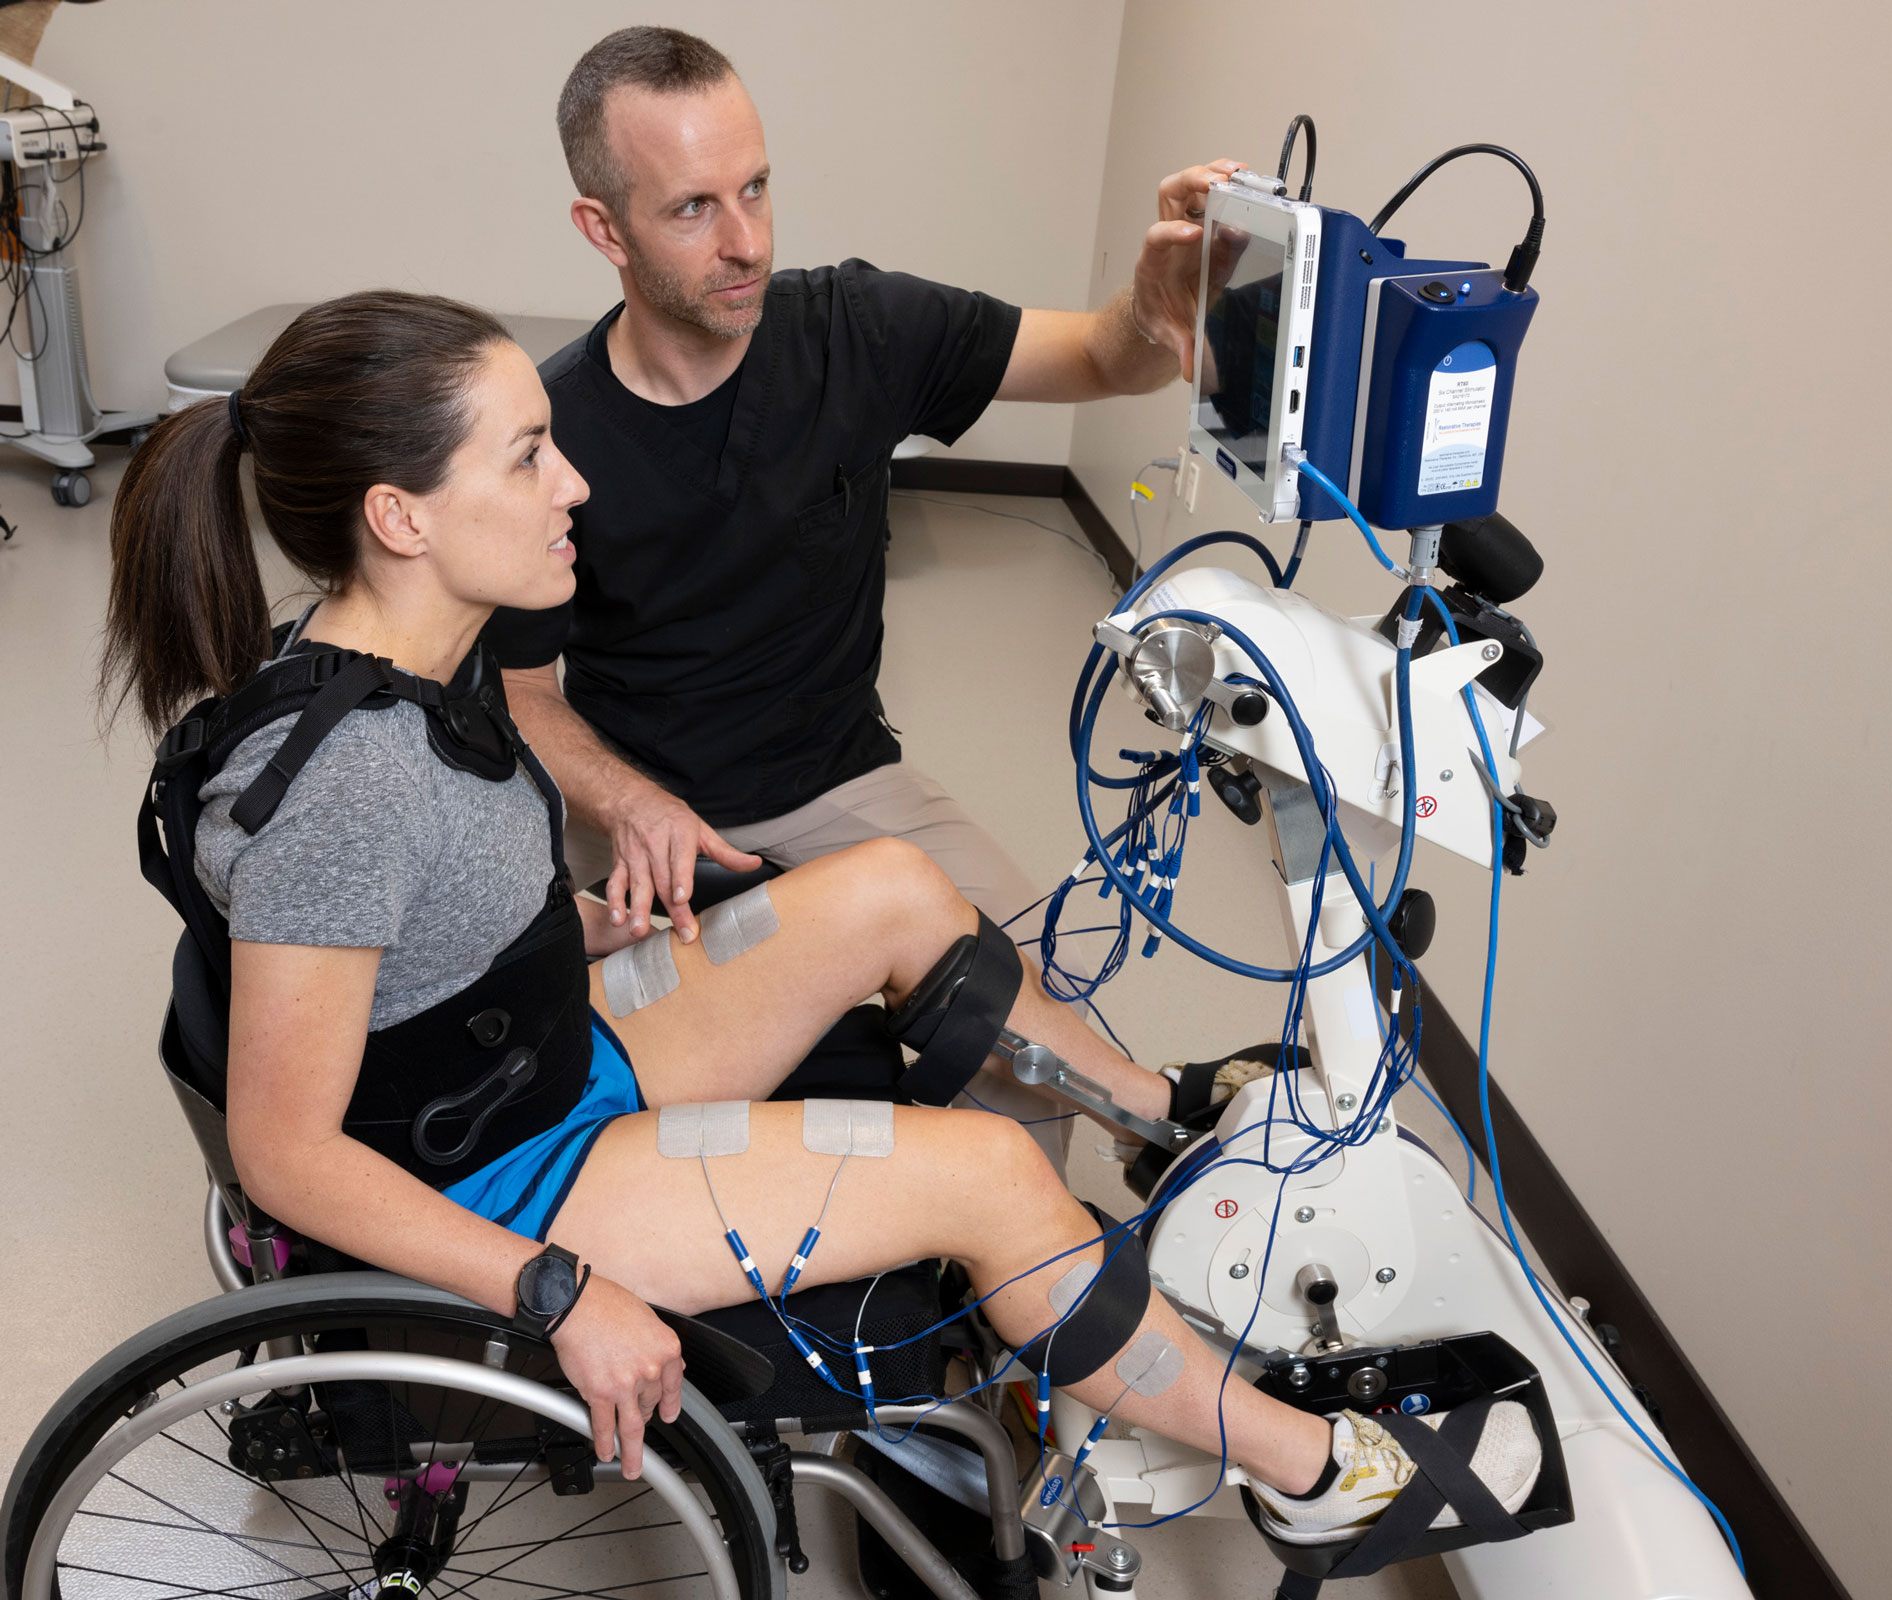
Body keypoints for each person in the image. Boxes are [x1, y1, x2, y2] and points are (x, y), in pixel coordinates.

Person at [100, 291, 1540, 1544]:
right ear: (399, 516)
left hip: (537, 1051)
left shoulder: (412, 651)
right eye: (530, 454)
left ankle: (1162, 1109)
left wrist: (567, 928)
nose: (574, 486)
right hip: (518, 1179)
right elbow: (286, 1154)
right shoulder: (346, 788)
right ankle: (1319, 1472)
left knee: (899, 894)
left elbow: (416, 926)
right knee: (988, 1180)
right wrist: (554, 1292)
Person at [483, 27, 1237, 982]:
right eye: (692, 209)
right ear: (605, 229)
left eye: (755, 187)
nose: (746, 241)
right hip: (634, 813)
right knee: (579, 1075)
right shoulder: (552, 439)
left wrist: (1149, 311)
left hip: (839, 785)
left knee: (1041, 1006)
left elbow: (1097, 356)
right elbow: (520, 691)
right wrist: (628, 805)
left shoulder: (859, 331)